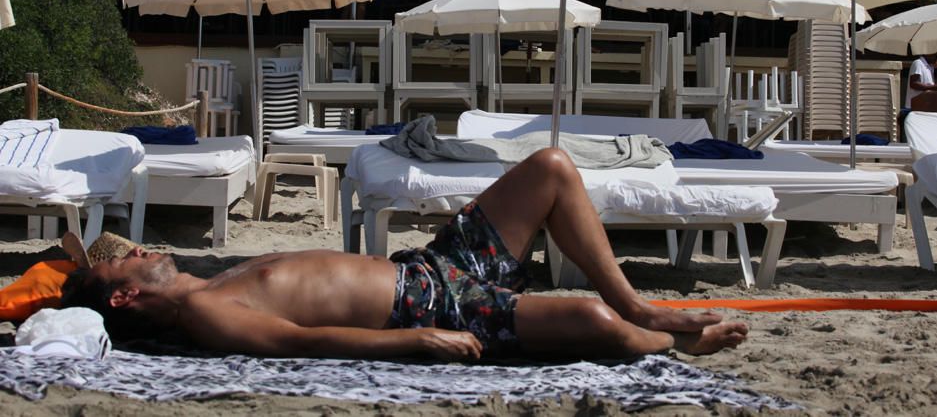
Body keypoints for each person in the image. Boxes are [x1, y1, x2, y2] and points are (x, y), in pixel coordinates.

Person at [62, 148, 747, 361]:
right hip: (431, 303)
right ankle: (667, 343)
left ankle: (640, 305)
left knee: (552, 169)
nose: (140, 249)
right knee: (593, 325)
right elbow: (306, 342)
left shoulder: (212, 281)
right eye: (124, 260)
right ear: (124, 295)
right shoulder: (207, 313)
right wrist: (415, 341)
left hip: (431, 264)